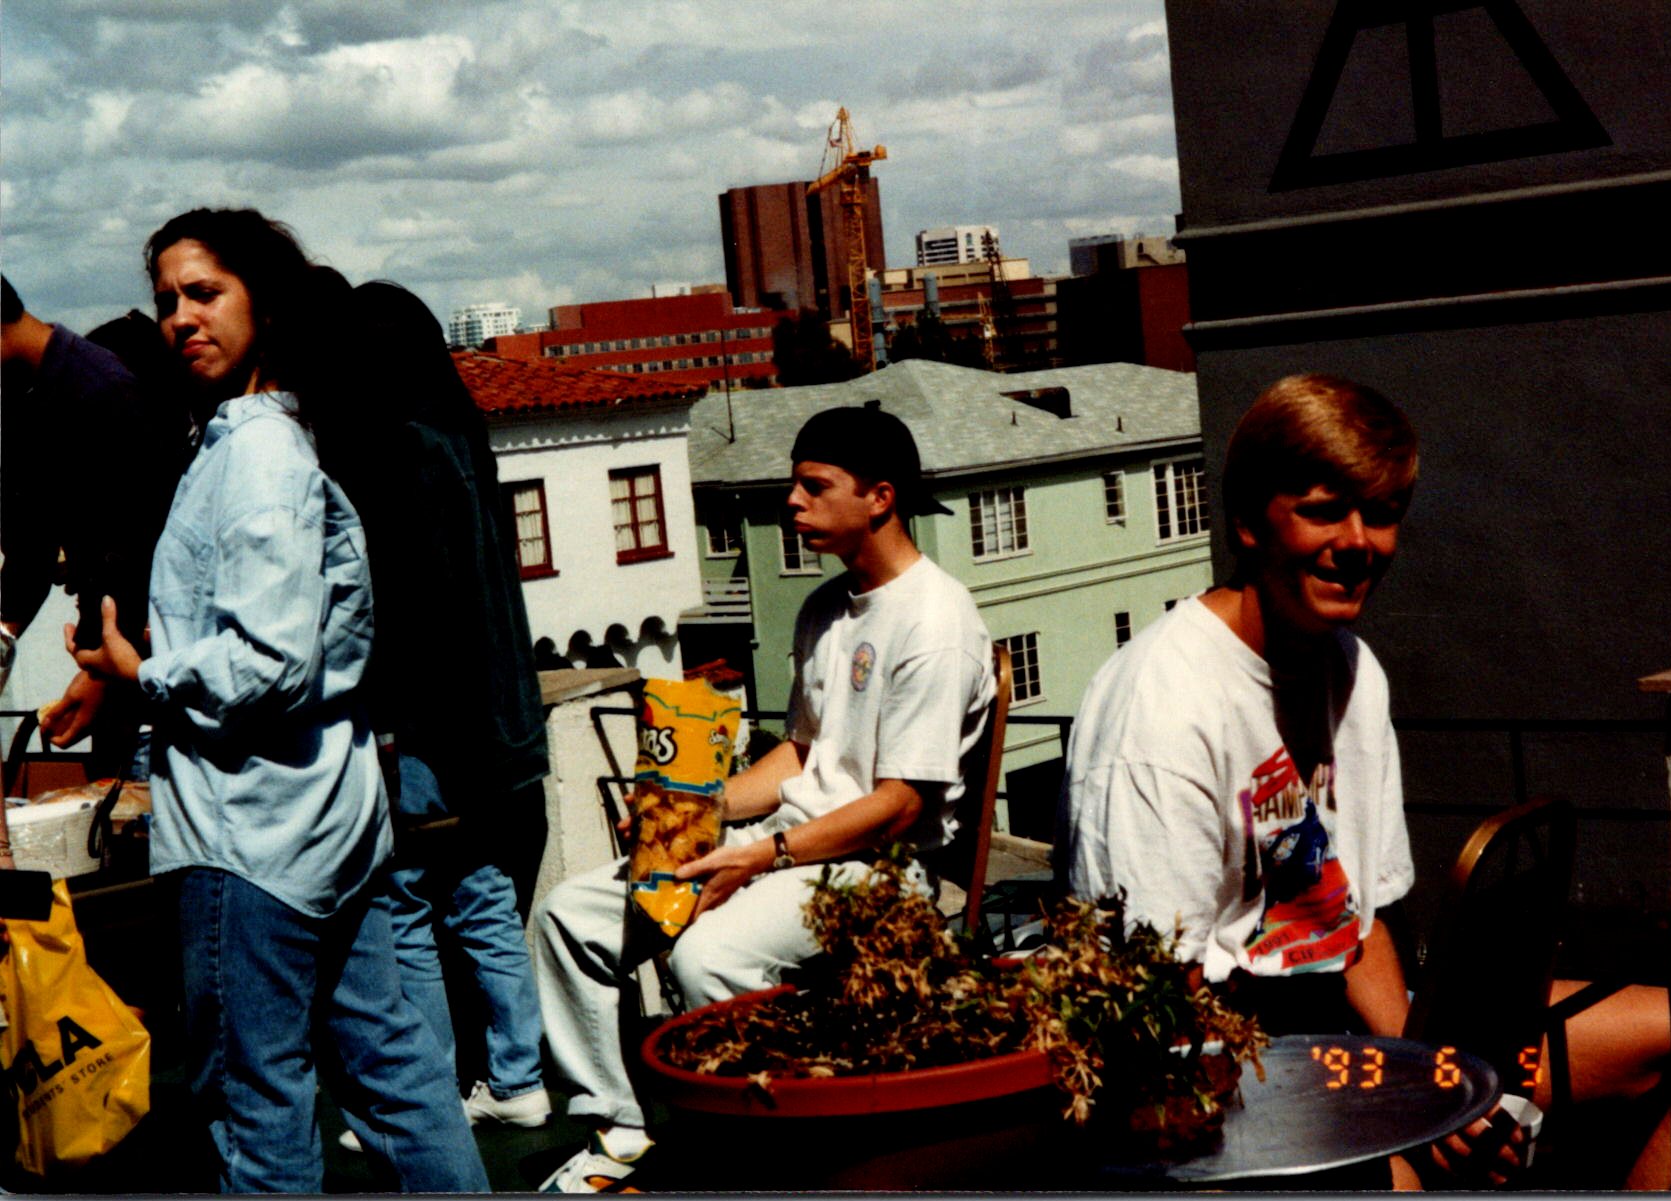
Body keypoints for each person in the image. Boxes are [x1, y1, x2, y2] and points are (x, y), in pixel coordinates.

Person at [1059, 373, 1671, 1189]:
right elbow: (1156, 1014)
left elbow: (1356, 921)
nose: (1358, 542)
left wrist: (1438, 1081)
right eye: (1322, 510)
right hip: (1231, 1076)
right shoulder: (1161, 710)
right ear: (1248, 522)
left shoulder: (1351, 668)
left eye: (1380, 514)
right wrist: (1409, 1112)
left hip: (1351, 1041)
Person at [70, 208, 487, 1193]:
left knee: (254, 1104)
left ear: (263, 302)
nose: (179, 317)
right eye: (166, 299)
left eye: (203, 292)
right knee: (393, 1069)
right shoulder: (276, 441)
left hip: (248, 835)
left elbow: (270, 661)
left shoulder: (255, 456)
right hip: (329, 817)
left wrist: (142, 673)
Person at [533, 404, 996, 1192]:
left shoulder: (936, 620)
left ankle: (786, 1155)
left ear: (880, 497)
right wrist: (694, 810)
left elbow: (901, 805)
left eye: (815, 486)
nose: (792, 501)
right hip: (790, 843)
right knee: (569, 915)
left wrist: (762, 856)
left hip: (881, 869)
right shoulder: (826, 607)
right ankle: (621, 1125)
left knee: (708, 955)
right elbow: (802, 752)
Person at [326, 280, 552, 1144]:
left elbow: (404, 606)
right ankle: (519, 1076)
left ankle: (423, 1092)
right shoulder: (461, 434)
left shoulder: (391, 449)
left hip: (421, 721)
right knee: (484, 895)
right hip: (492, 718)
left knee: (407, 904)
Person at [0, 278, 189, 768]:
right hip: (107, 675)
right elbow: (30, 545)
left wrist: (102, 679)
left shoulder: (104, 390)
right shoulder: (24, 394)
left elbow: (150, 554)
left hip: (149, 684)